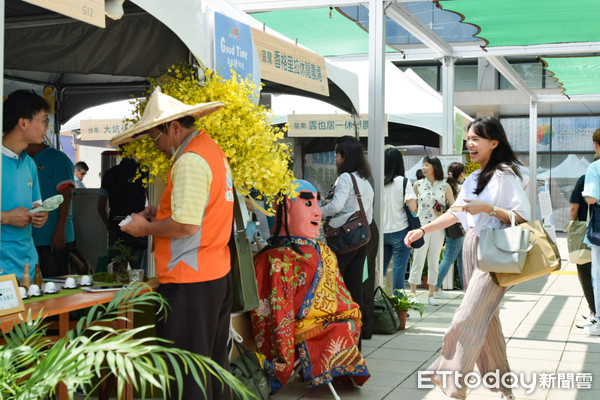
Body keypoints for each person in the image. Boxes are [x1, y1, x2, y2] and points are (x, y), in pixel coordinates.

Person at [116, 88, 233, 399]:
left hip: (189, 281)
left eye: (157, 139)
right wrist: (159, 214)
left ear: (175, 128)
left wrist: (146, 228)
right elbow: (198, 213)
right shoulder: (211, 151)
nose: (159, 147)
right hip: (214, 273)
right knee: (212, 370)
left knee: (186, 377)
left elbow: (186, 224)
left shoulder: (190, 161)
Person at [404, 116, 529, 400]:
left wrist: (490, 208)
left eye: (476, 139)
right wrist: (422, 229)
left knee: (467, 314)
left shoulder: (505, 174)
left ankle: (452, 381)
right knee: (487, 319)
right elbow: (454, 213)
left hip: (495, 249)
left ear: (494, 143)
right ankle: (504, 387)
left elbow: (523, 216)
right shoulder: (473, 177)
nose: (470, 144)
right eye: (469, 139)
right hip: (472, 246)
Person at [251, 180, 370, 393]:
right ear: (285, 210)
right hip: (313, 323)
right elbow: (277, 313)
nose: (317, 212)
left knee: (344, 321)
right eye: (308, 204)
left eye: (317, 204)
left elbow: (340, 293)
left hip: (324, 319)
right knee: (344, 322)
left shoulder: (320, 252)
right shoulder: (276, 259)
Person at [321, 138, 374, 337]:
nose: (335, 158)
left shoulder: (345, 178)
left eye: (337, 154)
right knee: (354, 289)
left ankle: (337, 334)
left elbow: (336, 207)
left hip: (343, 240)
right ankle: (355, 337)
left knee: (334, 285)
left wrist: (315, 211)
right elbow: (368, 214)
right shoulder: (364, 180)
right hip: (361, 240)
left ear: (345, 156)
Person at [1, 90, 49, 280]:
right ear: (23, 123)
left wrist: (41, 215)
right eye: (44, 120)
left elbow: (37, 206)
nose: (46, 127)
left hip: (28, 264)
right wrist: (5, 217)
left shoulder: (29, 162)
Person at [409, 156, 454, 305]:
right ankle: (413, 293)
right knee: (418, 259)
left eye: (426, 165)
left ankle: (431, 295)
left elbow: (454, 208)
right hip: (421, 227)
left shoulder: (445, 186)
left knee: (434, 260)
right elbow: (413, 207)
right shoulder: (418, 184)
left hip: (438, 227)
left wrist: (443, 212)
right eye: (423, 165)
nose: (423, 167)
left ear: (435, 167)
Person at [26, 141, 75, 277]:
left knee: (54, 283)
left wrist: (60, 230)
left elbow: (67, 195)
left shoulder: (58, 158)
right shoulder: (25, 160)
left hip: (52, 237)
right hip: (30, 237)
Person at [97, 149, 148, 271]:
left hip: (117, 226)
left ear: (120, 153)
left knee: (116, 273)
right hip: (138, 226)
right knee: (140, 273)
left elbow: (100, 207)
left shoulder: (109, 174)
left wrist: (110, 226)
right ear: (135, 152)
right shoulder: (142, 172)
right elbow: (151, 199)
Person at [382, 147, 417, 294]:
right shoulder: (403, 182)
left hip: (381, 232)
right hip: (401, 232)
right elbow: (412, 208)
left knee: (379, 270)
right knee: (398, 271)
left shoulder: (377, 181)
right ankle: (399, 307)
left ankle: (376, 301)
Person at [435, 162, 466, 297]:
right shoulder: (460, 188)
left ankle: (467, 287)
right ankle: (435, 286)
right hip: (457, 226)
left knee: (460, 257)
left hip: (449, 224)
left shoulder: (445, 186)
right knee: (449, 257)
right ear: (461, 174)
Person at [570, 173, 596, 328]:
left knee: (585, 271)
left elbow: (574, 207)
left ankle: (595, 314)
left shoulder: (586, 178)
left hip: (588, 233)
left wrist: (572, 226)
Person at [582, 128, 600, 336]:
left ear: (596, 144)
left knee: (598, 274)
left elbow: (592, 198)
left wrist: (586, 194)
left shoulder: (595, 167)